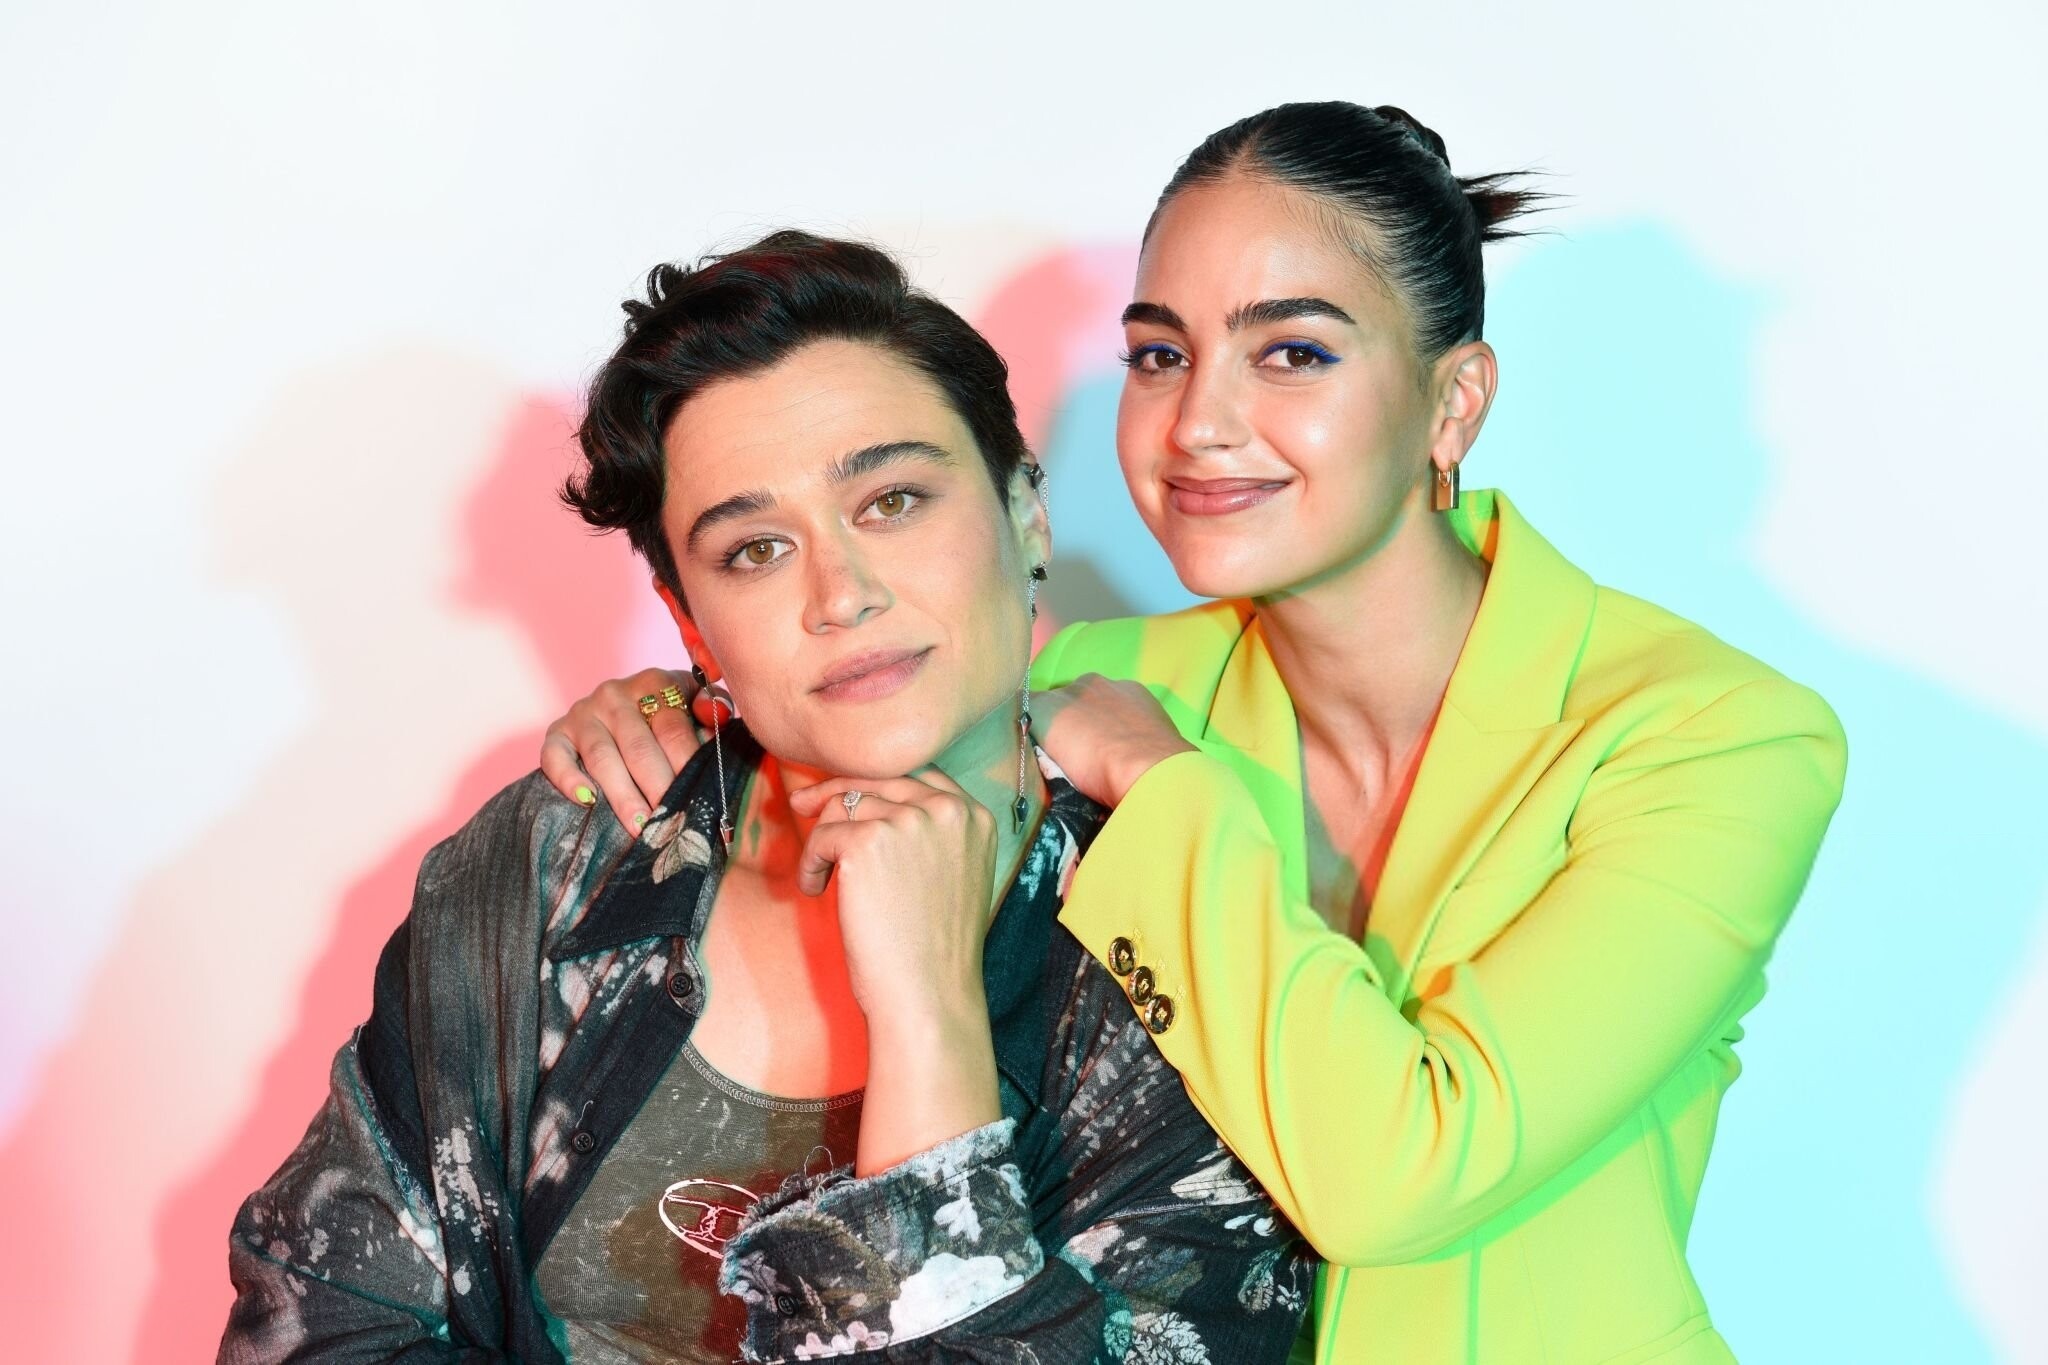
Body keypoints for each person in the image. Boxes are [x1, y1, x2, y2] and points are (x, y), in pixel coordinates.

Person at [544, 103, 1848, 1363]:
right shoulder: (1103, 676)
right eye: (1161, 356)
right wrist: (681, 710)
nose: (1198, 424)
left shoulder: (1716, 741)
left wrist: (1170, 793)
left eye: (1293, 353)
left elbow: (1400, 1175)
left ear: (1453, 403)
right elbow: (864, 730)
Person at [221, 231, 1311, 1364]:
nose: (840, 594)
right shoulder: (558, 861)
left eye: (893, 499)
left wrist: (931, 1018)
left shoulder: (1174, 960)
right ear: (690, 622)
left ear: (1025, 511)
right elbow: (322, 1318)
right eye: (753, 550)